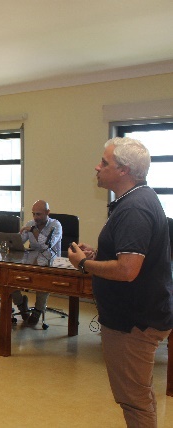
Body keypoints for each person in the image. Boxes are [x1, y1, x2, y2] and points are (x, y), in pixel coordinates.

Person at [68, 137, 172, 428]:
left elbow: (127, 270)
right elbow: (131, 258)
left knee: (134, 401)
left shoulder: (134, 208)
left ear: (124, 170)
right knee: (139, 395)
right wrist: (99, 255)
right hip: (138, 315)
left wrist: (84, 264)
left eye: (104, 162)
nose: (97, 167)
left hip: (133, 322)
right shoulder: (138, 199)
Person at [13, 200, 62, 325]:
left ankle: (38, 310)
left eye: (38, 214)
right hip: (31, 260)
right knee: (10, 277)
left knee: (42, 280)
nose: (35, 217)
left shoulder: (56, 226)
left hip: (50, 261)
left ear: (47, 212)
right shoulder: (30, 223)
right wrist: (14, 240)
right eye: (33, 214)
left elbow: (46, 245)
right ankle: (21, 304)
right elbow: (20, 242)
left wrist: (33, 231)